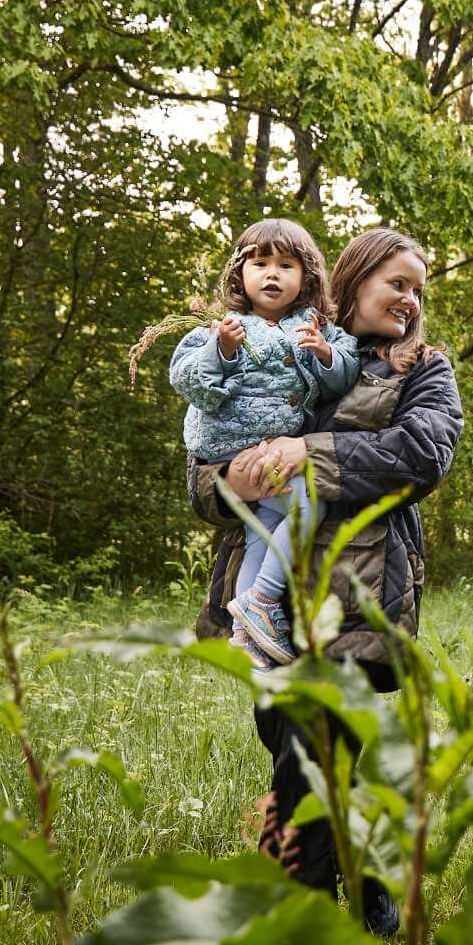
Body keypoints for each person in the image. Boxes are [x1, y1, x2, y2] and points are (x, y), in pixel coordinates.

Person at [186, 226, 462, 940]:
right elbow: (208, 461)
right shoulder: (285, 342)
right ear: (356, 275)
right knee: (290, 742)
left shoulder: (423, 368)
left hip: (360, 594)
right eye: (397, 282)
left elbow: (421, 453)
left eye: (418, 290)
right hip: (261, 599)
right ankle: (362, 865)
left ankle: (298, 935)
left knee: (311, 743)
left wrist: (304, 452)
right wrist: (229, 477)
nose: (411, 299)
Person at [169, 218, 359, 667]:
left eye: (286, 264)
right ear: (240, 276)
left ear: (307, 277)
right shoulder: (221, 327)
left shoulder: (315, 328)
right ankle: (264, 600)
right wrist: (224, 351)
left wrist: (324, 354)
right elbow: (186, 378)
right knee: (310, 503)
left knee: (264, 535)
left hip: (274, 453)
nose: (272, 274)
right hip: (228, 447)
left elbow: (345, 373)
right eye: (260, 263)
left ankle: (246, 633)